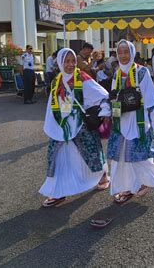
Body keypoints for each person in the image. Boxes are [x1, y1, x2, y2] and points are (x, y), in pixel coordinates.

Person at [39, 48, 111, 207]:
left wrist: (105, 110)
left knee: (91, 152)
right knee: (56, 157)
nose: (71, 64)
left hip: (81, 125)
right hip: (62, 127)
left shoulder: (82, 77)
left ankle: (102, 175)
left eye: (73, 61)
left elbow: (103, 95)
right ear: (60, 63)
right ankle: (58, 191)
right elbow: (52, 105)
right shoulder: (56, 81)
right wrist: (52, 124)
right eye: (67, 61)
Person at [107, 40, 154, 204]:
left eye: (126, 52)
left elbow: (152, 100)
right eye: (120, 52)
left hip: (138, 123)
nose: (123, 55)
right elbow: (113, 97)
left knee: (138, 158)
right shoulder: (117, 73)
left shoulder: (142, 72)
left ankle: (141, 183)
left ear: (132, 53)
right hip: (121, 122)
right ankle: (128, 188)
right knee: (120, 159)